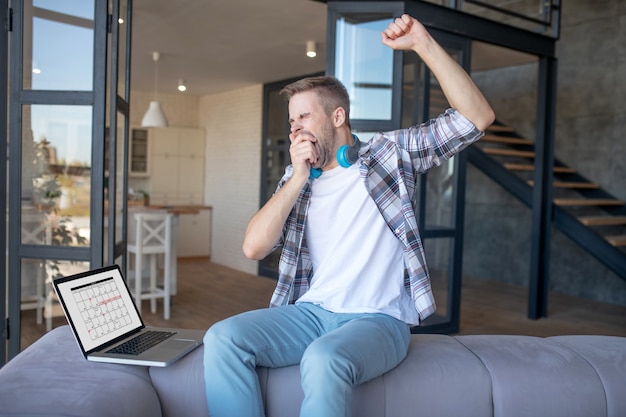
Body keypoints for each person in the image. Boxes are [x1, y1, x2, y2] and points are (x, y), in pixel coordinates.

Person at [203, 14, 495, 417]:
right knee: (222, 337)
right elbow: (253, 247)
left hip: (377, 320)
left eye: (304, 117)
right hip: (311, 312)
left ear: (337, 117)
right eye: (291, 121)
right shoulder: (297, 178)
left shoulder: (389, 156)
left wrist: (424, 44)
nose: (295, 129)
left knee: (323, 360)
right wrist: (296, 179)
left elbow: (475, 119)